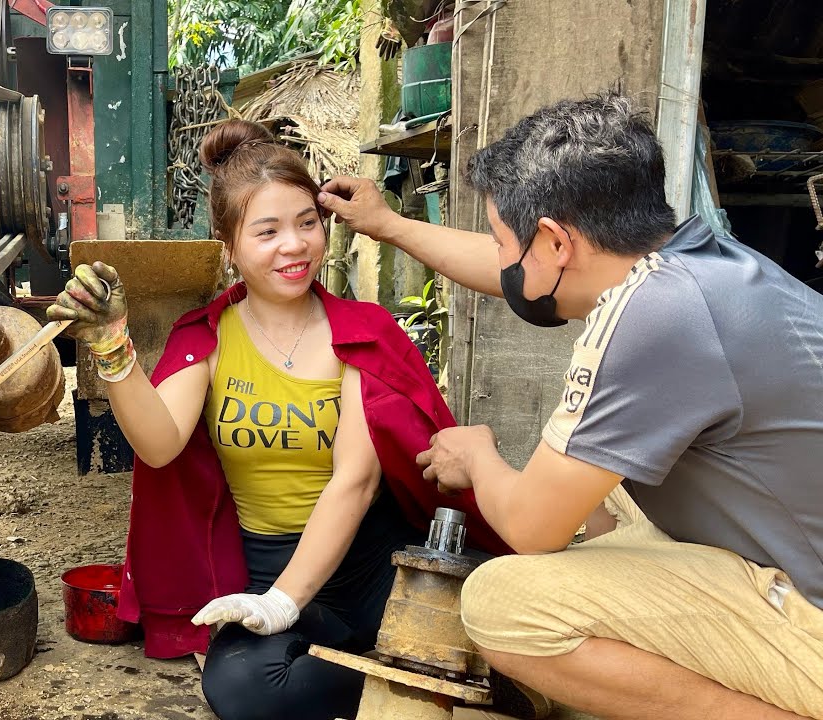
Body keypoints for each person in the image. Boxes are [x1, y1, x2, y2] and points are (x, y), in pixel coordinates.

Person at [318, 92, 823, 720]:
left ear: (557, 242)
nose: (499, 257)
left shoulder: (653, 316)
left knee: (504, 604)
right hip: (791, 555)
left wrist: (477, 459)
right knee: (601, 483)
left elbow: (532, 527)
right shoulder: (698, 262)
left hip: (812, 624)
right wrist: (389, 224)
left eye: (504, 239)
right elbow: (517, 271)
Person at [47, 120, 510, 720]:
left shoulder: (362, 335)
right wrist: (112, 344)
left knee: (498, 645)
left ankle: (397, 668)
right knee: (246, 690)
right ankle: (401, 679)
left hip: (372, 563)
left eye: (306, 224)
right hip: (266, 562)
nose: (294, 247)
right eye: (266, 232)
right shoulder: (209, 338)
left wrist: (285, 604)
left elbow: (357, 480)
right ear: (229, 246)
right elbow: (159, 446)